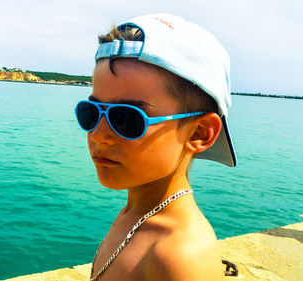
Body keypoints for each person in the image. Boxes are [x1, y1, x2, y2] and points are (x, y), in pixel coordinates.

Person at [74, 14, 237, 281]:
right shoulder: (138, 210)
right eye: (91, 112)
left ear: (199, 133)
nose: (98, 135)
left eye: (127, 119)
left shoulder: (179, 258)